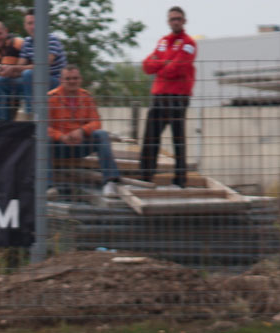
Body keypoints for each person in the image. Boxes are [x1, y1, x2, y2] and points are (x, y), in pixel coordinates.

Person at [139, 5, 196, 188]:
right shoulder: (163, 41)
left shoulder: (189, 43)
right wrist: (166, 62)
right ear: (168, 21)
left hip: (178, 96)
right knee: (150, 137)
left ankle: (180, 181)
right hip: (159, 95)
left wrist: (161, 64)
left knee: (178, 139)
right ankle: (145, 177)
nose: (176, 22)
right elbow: (147, 66)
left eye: (178, 18)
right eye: (172, 19)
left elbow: (177, 68)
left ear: (184, 21)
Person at [48, 65, 122, 197]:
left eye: (75, 78)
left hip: (80, 145)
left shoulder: (86, 97)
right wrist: (61, 136)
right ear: (61, 80)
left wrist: (82, 131)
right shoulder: (51, 98)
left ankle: (110, 182)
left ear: (80, 79)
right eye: (68, 78)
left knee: (101, 134)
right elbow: (43, 126)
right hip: (58, 146)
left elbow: (96, 122)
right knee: (42, 140)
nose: (72, 81)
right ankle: (48, 186)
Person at [10, 8, 67, 113]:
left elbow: (42, 66)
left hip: (56, 83)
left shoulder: (52, 40)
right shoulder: (27, 42)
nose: (33, 27)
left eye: (36, 23)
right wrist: (6, 71)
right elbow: (19, 67)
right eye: (29, 23)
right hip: (37, 82)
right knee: (2, 81)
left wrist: (15, 68)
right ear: (25, 26)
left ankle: (31, 114)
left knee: (28, 74)